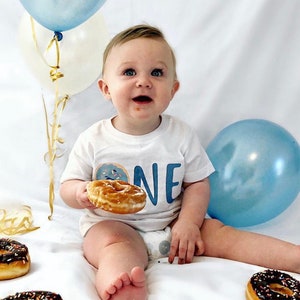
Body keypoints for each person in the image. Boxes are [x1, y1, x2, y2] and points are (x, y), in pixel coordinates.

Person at [60, 24, 300, 300]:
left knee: (221, 232)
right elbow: (69, 186)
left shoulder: (181, 135)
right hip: (114, 226)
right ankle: (122, 287)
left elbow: (198, 183)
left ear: (173, 90)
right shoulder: (94, 139)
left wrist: (187, 222)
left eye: (157, 72)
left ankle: (292, 257)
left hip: (174, 223)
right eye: (129, 72)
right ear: (105, 88)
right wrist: (81, 192)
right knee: (114, 246)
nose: (143, 81)